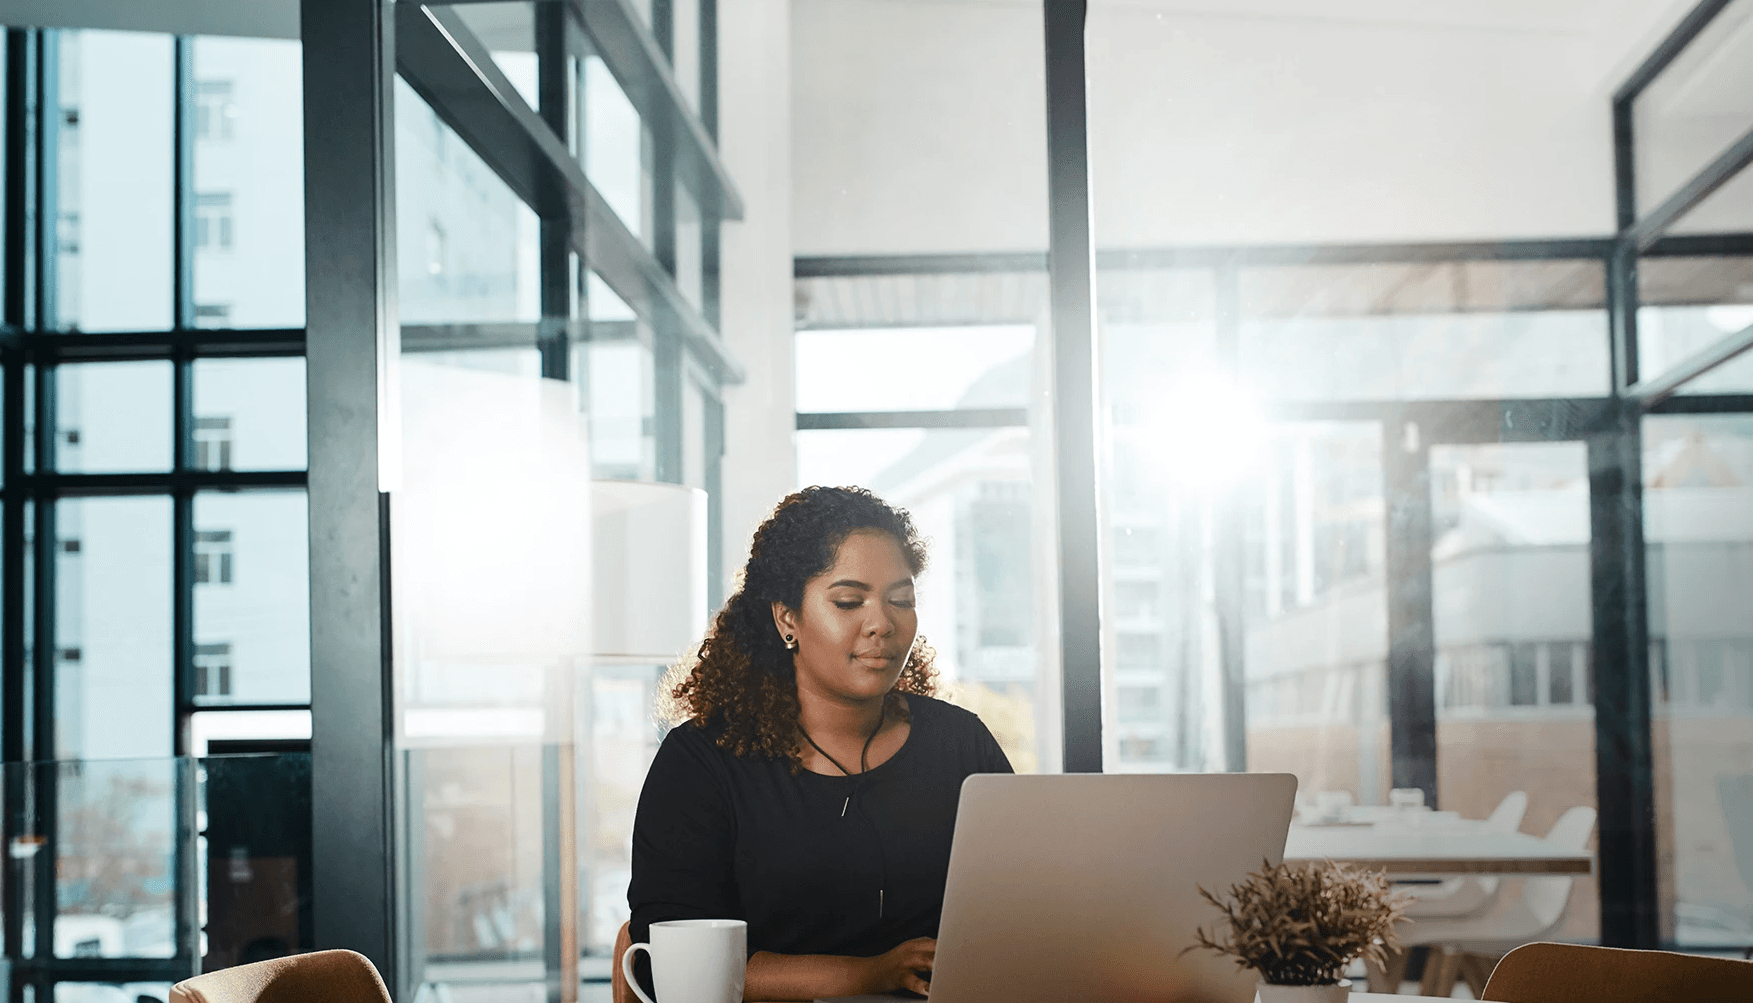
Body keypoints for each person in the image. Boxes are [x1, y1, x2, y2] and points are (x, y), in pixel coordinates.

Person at [628, 486, 1014, 1000]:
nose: (882, 623)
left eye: (901, 600)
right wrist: (869, 974)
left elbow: (1024, 909)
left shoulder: (960, 742)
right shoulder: (700, 762)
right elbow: (672, 964)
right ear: (787, 617)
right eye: (848, 601)